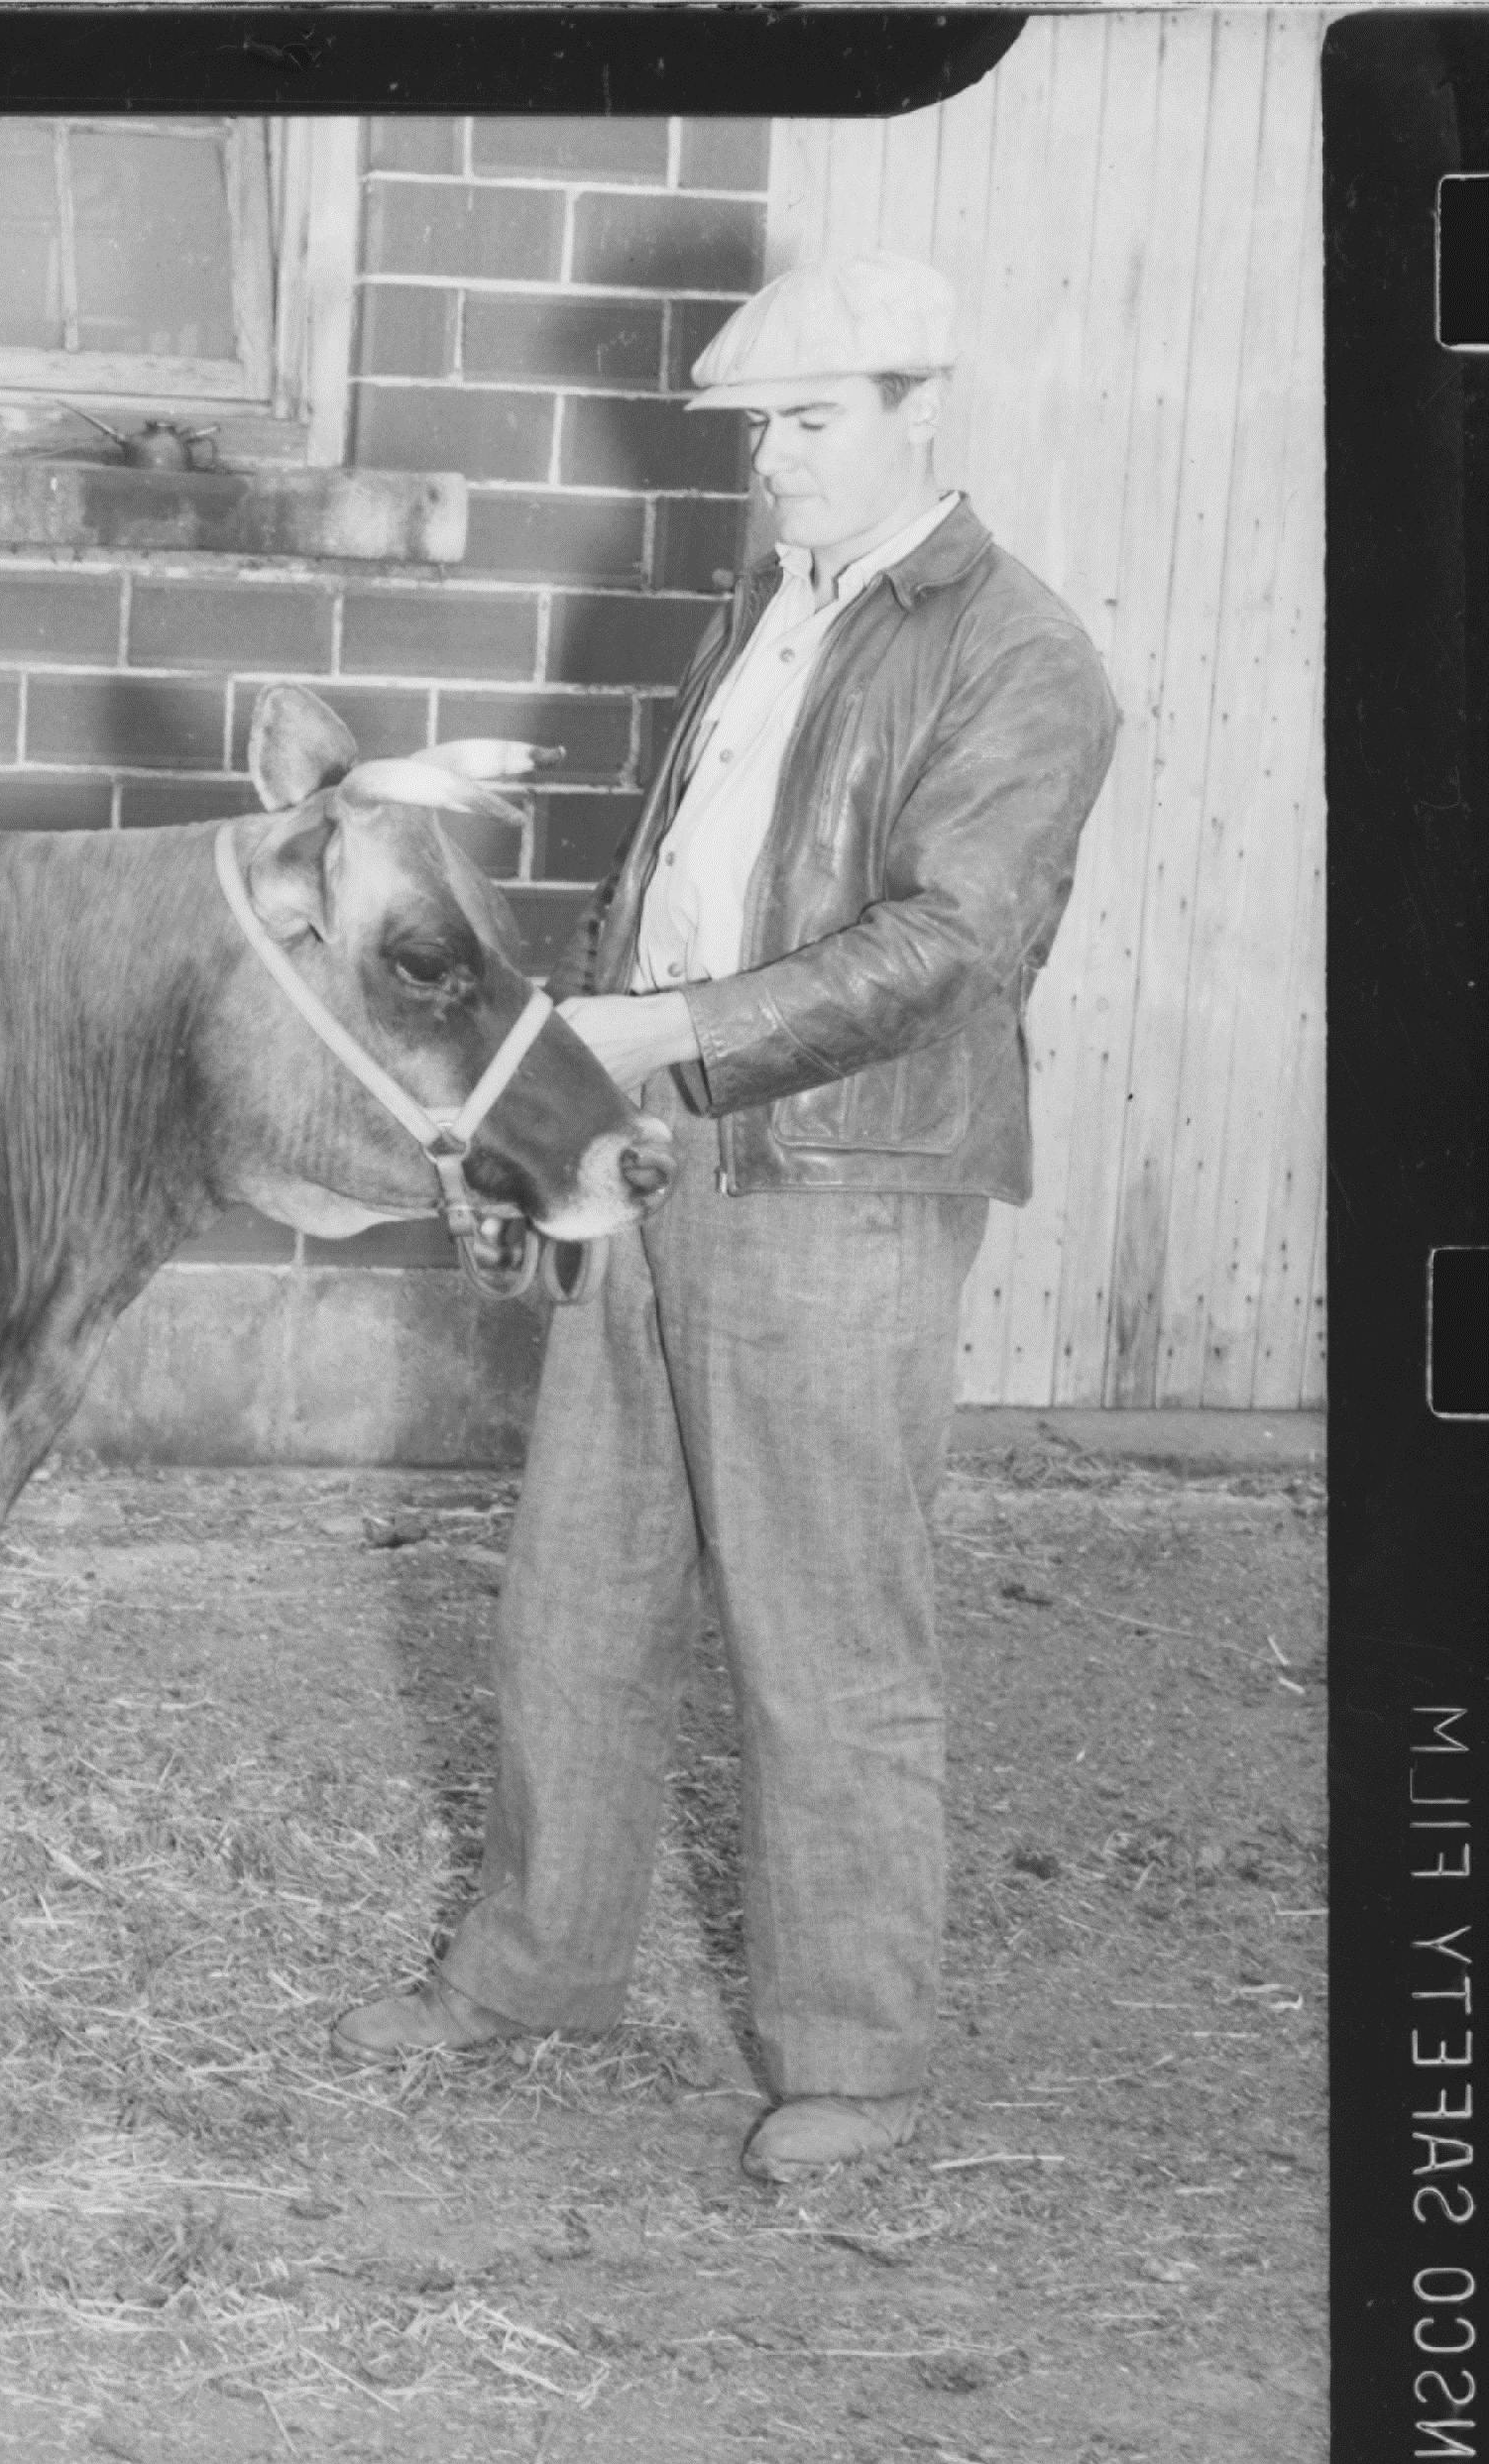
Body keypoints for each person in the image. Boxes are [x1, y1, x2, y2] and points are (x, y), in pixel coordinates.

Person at [331, 253, 1121, 2184]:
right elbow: (665, 881)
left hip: (839, 1189)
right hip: (650, 1148)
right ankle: (537, 1967)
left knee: (826, 1634)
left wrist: (661, 1031)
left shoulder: (1019, 652)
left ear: (920, 405)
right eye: (755, 428)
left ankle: (852, 2056)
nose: (769, 461)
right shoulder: (765, 606)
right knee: (575, 1595)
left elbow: (946, 948)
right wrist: (558, 1102)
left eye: (810, 420)